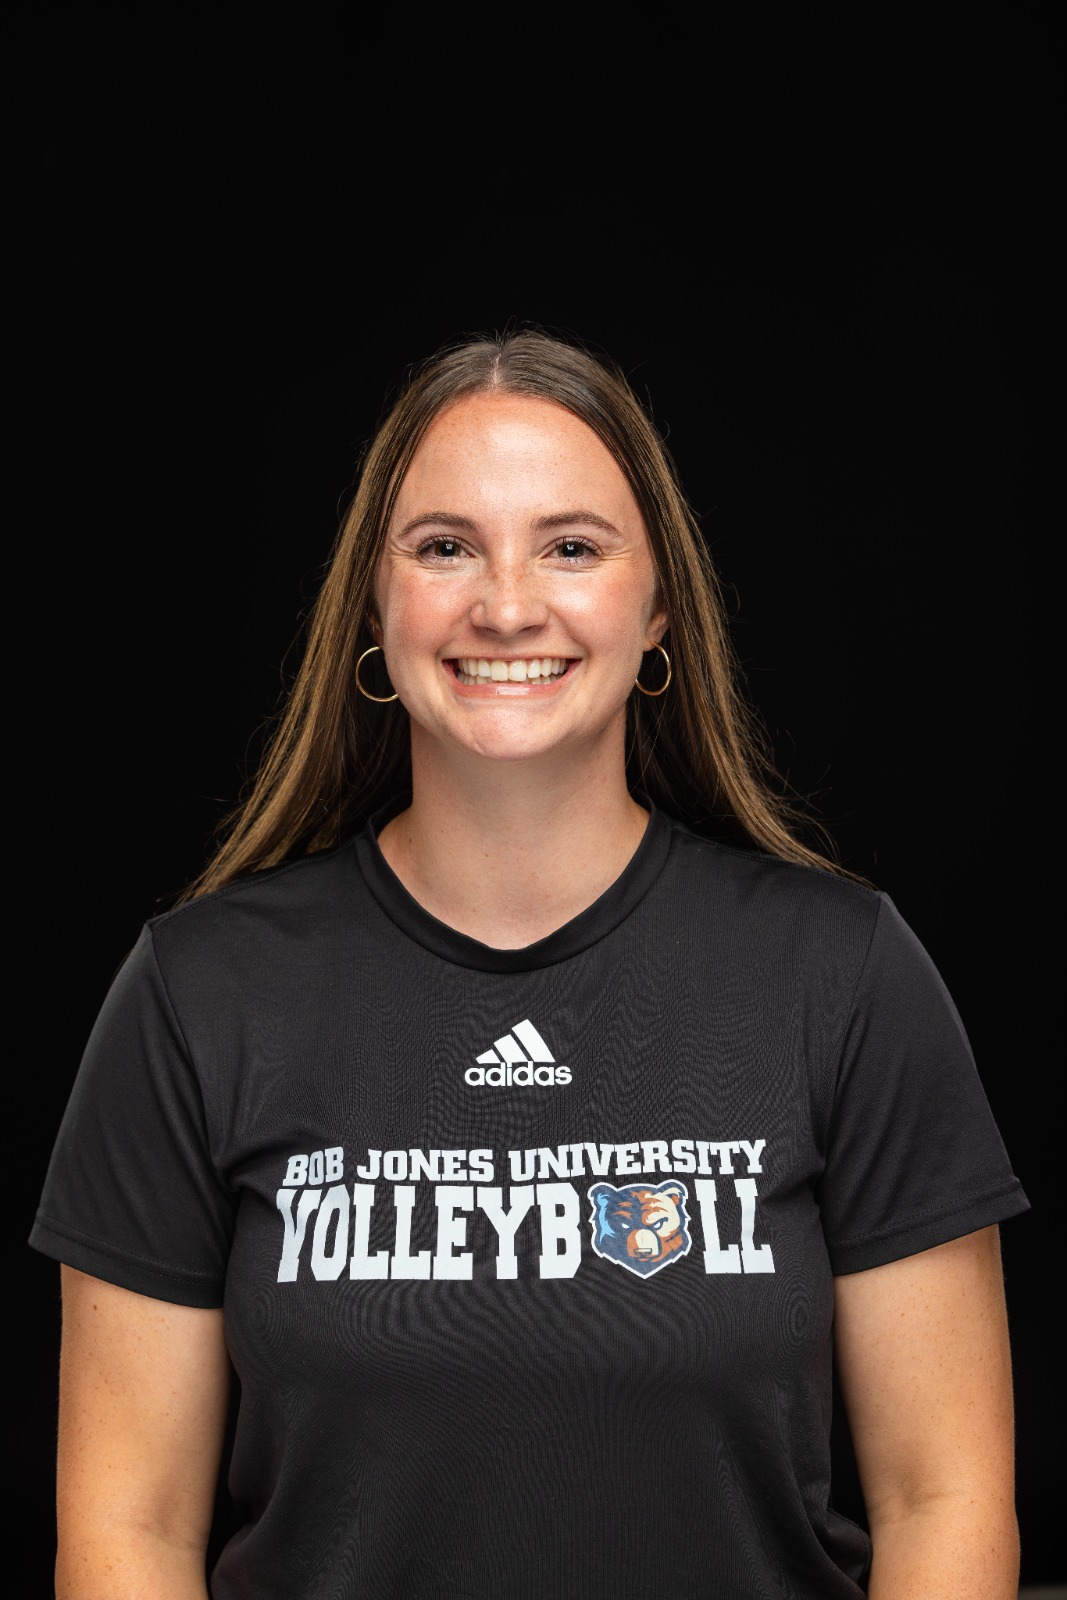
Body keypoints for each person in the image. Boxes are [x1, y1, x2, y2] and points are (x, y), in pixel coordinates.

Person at [32, 329, 1028, 1599]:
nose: (506, 604)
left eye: (570, 545)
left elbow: (941, 1499)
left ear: (656, 606)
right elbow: (129, 1532)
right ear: (375, 605)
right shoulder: (198, 996)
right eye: (444, 546)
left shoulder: (840, 974)